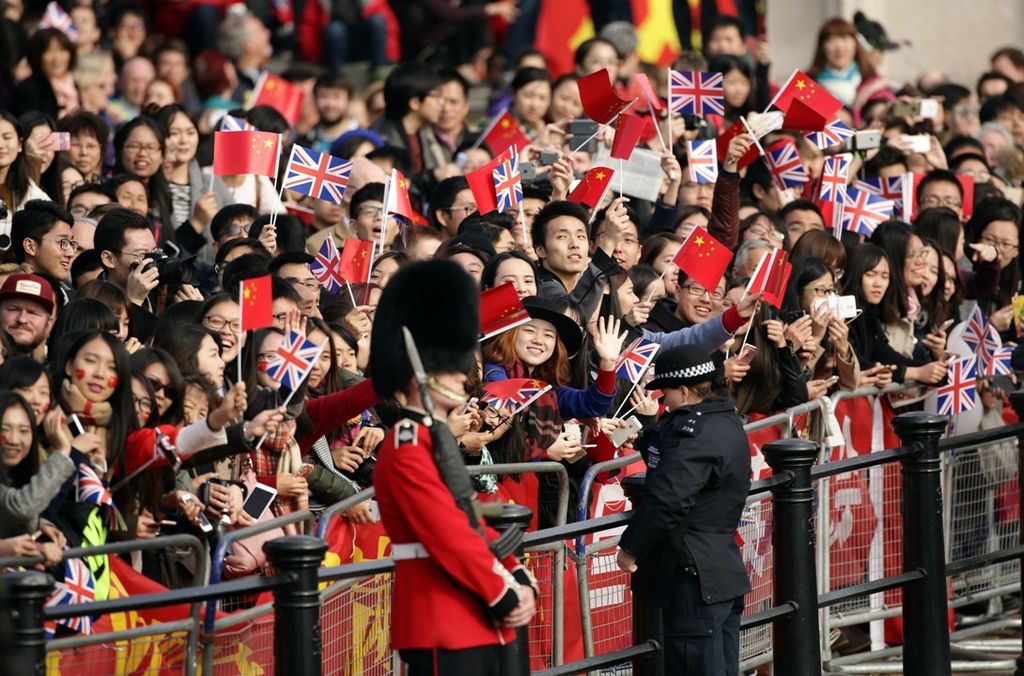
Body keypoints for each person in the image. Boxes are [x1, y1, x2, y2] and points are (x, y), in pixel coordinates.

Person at [370, 259, 537, 674]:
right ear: (418, 373)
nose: (464, 377)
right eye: (451, 366)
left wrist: (516, 573)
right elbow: (445, 531)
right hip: (441, 615)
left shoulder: (432, 438)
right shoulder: (406, 444)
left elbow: (469, 520)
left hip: (475, 614)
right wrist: (502, 589)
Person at [616, 345, 751, 676]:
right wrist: (648, 429)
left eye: (666, 393)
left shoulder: (697, 433)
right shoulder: (725, 420)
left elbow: (669, 496)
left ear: (685, 390)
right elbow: (670, 464)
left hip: (694, 577)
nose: (665, 401)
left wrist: (631, 547)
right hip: (719, 571)